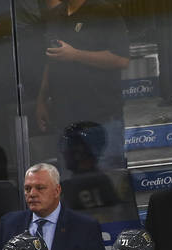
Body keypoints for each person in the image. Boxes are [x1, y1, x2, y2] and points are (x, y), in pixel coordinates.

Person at [35, 0, 129, 168]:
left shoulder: (104, 10)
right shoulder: (56, 15)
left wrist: (75, 55)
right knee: (70, 184)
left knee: (109, 182)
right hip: (65, 120)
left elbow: (121, 59)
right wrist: (41, 100)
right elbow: (50, 60)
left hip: (101, 118)